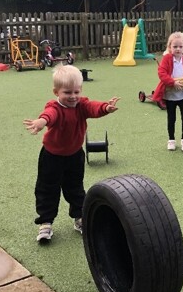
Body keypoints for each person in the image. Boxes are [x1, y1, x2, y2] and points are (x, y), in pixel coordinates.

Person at [23, 65, 119, 243]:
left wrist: (106, 108)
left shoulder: (81, 105)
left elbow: (93, 107)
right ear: (56, 92)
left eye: (76, 91)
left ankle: (80, 217)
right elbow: (49, 114)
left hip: (74, 156)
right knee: (47, 189)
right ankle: (45, 222)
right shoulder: (55, 107)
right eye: (67, 92)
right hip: (51, 157)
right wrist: (41, 122)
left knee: (75, 188)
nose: (73, 96)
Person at [152, 31, 183, 152]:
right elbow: (162, 73)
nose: (178, 49)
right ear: (170, 47)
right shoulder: (167, 59)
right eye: (175, 46)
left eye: (180, 46)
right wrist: (173, 82)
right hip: (170, 95)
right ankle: (171, 140)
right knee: (171, 119)